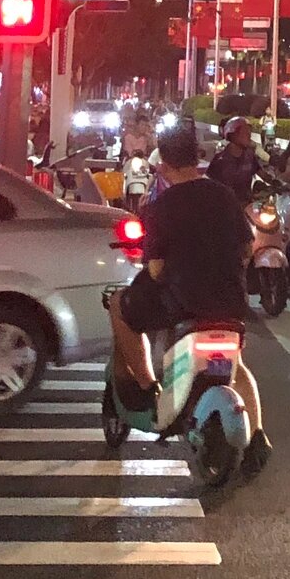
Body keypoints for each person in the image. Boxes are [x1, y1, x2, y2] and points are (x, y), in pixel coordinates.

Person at [107, 117, 255, 409]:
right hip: (231, 300)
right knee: (238, 367)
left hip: (182, 303)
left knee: (118, 306)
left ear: (162, 162)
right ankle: (258, 434)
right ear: (196, 157)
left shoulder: (160, 207)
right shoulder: (224, 195)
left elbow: (156, 270)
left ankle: (147, 388)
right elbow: (247, 247)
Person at [208, 114, 267, 205]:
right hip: (226, 209)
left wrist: (279, 183)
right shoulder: (219, 160)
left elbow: (263, 175)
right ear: (233, 135)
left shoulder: (250, 156)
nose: (249, 135)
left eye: (249, 132)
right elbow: (210, 187)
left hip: (247, 207)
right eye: (245, 132)